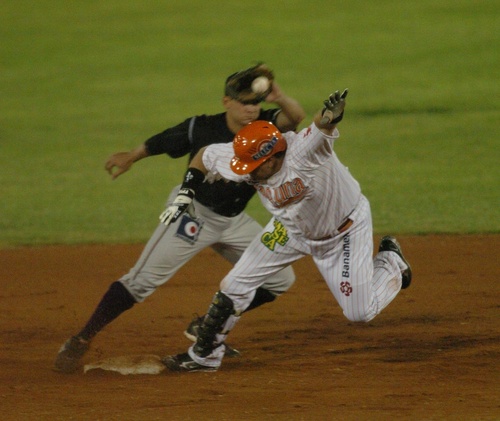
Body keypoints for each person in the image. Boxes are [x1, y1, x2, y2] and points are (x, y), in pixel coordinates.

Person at [53, 63, 305, 373]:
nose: (251, 109)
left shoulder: (265, 126)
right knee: (141, 282)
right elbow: (163, 141)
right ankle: (81, 338)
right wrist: (132, 156)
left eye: (255, 103)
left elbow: (295, 117)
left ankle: (207, 326)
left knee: (280, 278)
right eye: (244, 103)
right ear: (227, 102)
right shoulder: (202, 128)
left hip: (233, 222)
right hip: (193, 214)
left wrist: (279, 96)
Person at [159, 89, 413, 372]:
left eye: (253, 167)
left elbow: (322, 127)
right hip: (289, 230)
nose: (246, 172)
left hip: (343, 232)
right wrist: (186, 193)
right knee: (235, 284)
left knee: (360, 312)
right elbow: (205, 156)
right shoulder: (244, 154)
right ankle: (204, 356)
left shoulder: (303, 153)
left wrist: (330, 115)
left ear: (271, 157)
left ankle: (391, 262)